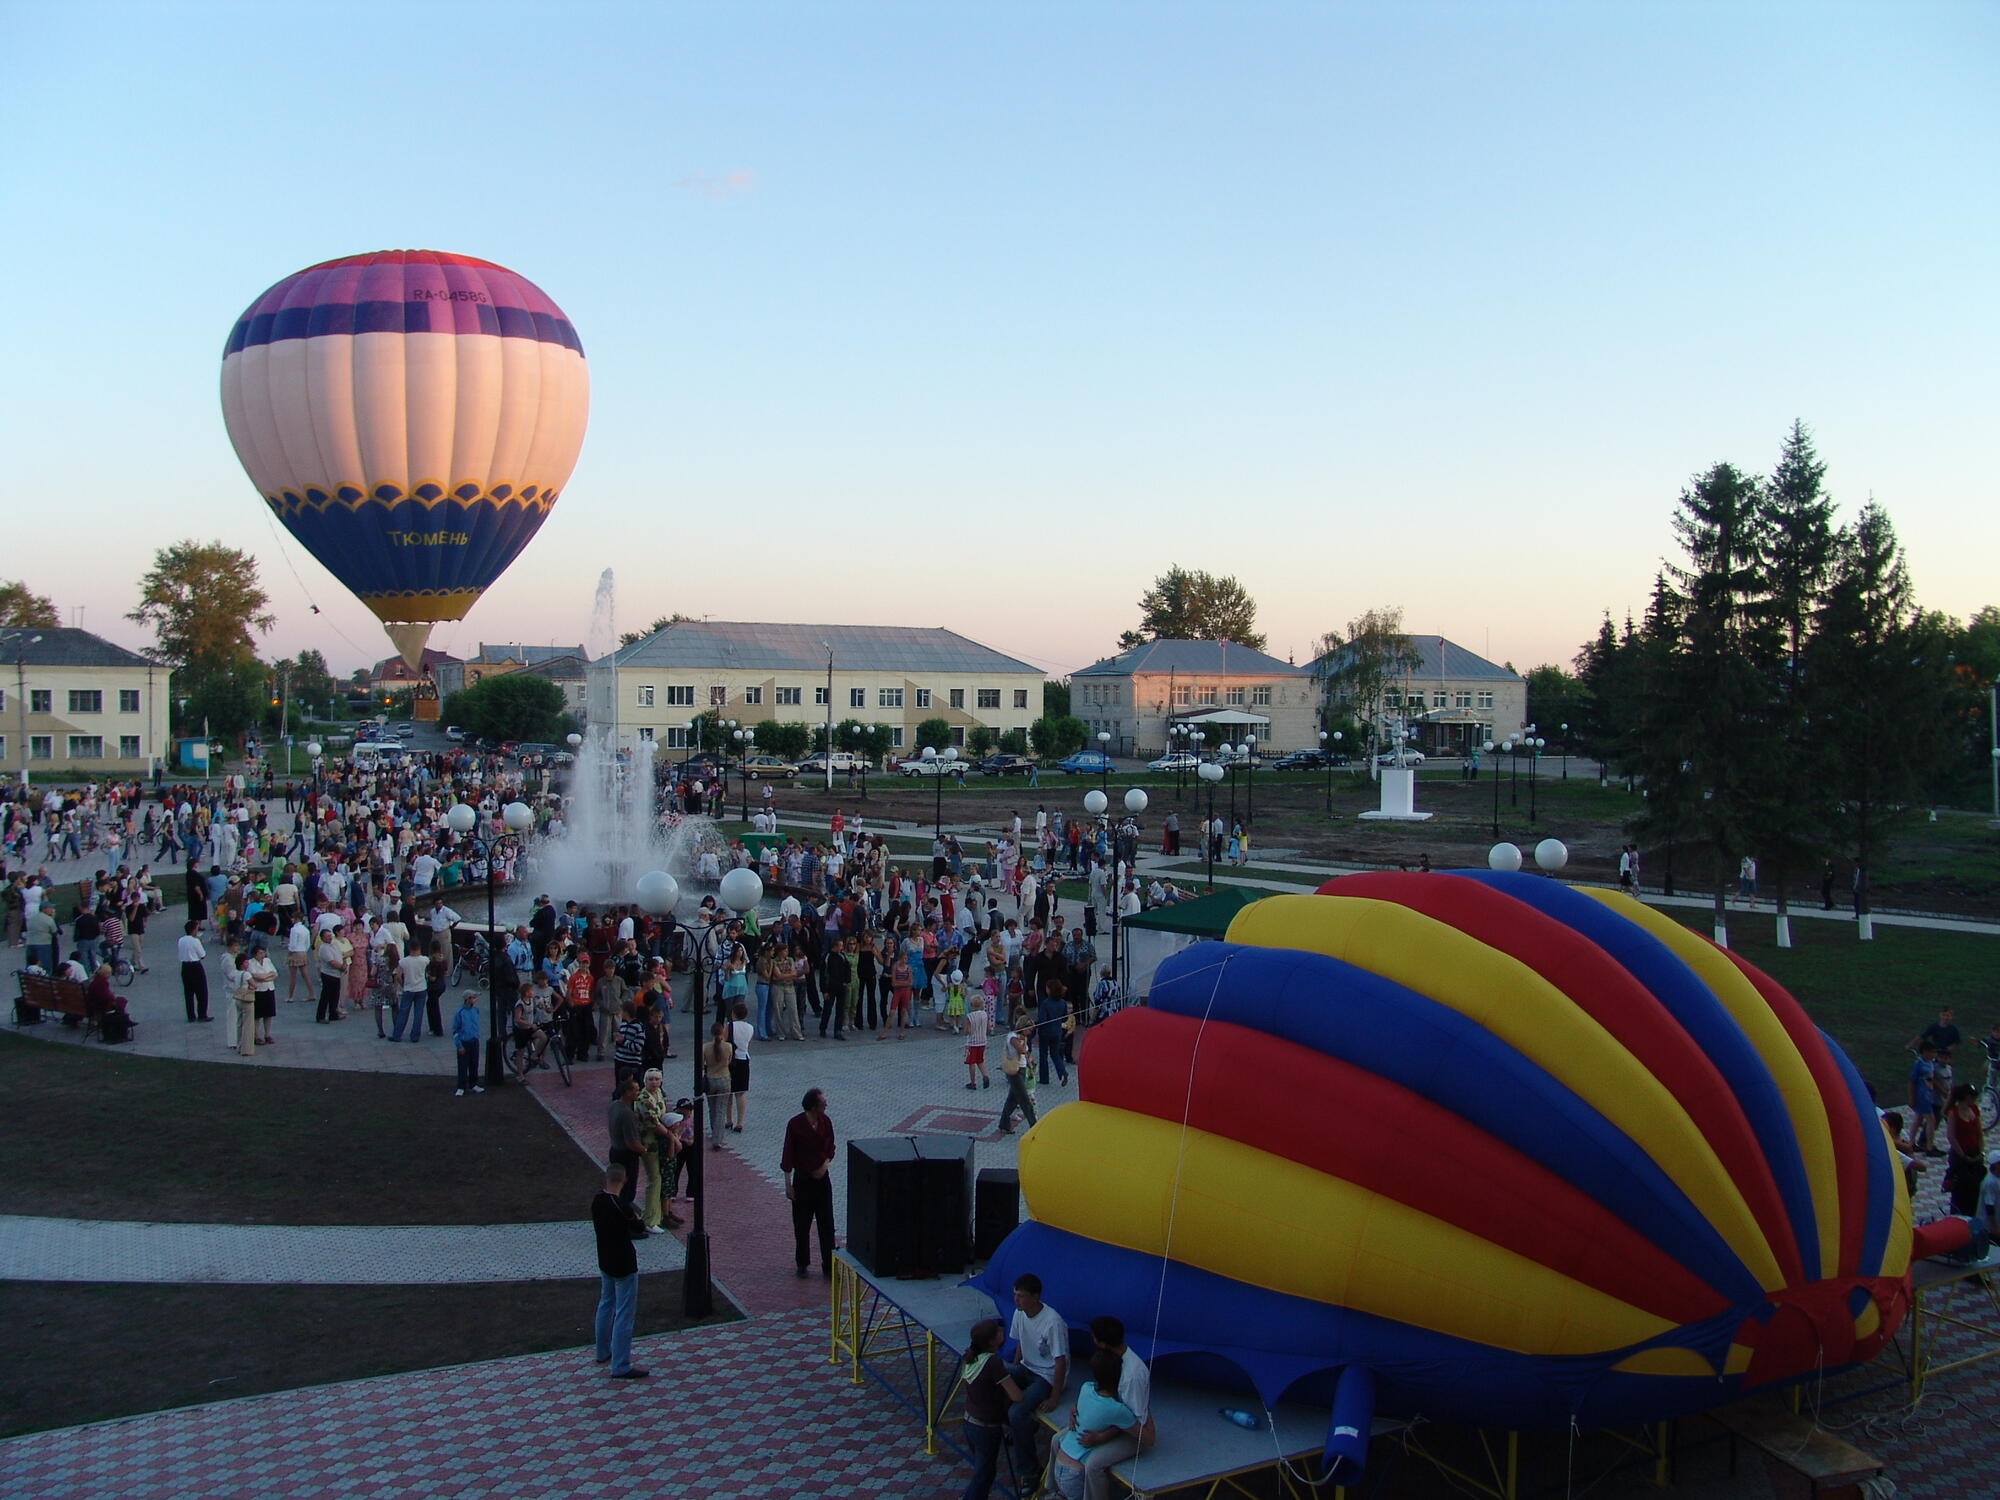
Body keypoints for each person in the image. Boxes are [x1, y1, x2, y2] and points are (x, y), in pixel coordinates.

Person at [1075, 1316, 1155, 1500]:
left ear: (1102, 1343)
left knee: (1093, 1465)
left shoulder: (1131, 1376)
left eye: (1094, 1338)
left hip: (1132, 1433)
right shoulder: (1111, 1359)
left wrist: (1102, 1436)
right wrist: (1077, 1408)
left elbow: (1134, 1423)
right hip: (1113, 1420)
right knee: (1058, 1439)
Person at [1051, 1346, 1136, 1500]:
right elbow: (1138, 1431)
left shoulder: (1086, 1388)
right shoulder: (1116, 1409)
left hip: (1059, 1465)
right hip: (1075, 1473)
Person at [1005, 1273, 1069, 1476]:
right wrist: (1013, 1372)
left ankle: (1030, 1472)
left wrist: (1054, 1397)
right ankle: (1021, 1429)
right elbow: (1020, 1344)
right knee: (998, 1380)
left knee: (1017, 1412)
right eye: (1015, 1295)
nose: (1016, 1300)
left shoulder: (1052, 1321)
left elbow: (1061, 1362)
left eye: (1021, 1296)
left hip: (1046, 1377)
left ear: (1035, 1296)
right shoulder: (1019, 1312)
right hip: (1027, 1368)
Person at [591, 1164, 651, 1379]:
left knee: (606, 1303)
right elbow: (639, 1226)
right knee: (624, 1313)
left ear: (605, 1179)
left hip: (605, 1260)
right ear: (624, 1181)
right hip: (624, 1263)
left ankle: (602, 1351)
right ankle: (621, 1364)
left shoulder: (598, 1201)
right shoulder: (621, 1206)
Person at [959, 1317, 1026, 1500]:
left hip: (970, 1422)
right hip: (986, 1428)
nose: (1002, 1332)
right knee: (984, 1476)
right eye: (998, 1331)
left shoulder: (971, 1358)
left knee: (982, 1472)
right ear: (991, 1341)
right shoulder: (993, 1363)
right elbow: (1016, 1396)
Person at [782, 1086, 837, 1278]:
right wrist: (788, 1184)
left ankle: (829, 1265)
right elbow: (788, 1153)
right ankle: (802, 1263)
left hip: (822, 1182)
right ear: (813, 1106)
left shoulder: (826, 1122)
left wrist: (824, 1166)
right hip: (803, 1181)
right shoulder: (795, 1124)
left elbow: (831, 1147)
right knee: (801, 1224)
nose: (826, 1105)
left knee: (827, 1223)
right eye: (823, 1103)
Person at [606, 1074, 646, 1210]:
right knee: (627, 1191)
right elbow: (631, 1142)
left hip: (615, 1151)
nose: (638, 1092)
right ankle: (625, 1218)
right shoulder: (627, 1114)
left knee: (617, 1187)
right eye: (636, 1090)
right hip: (627, 1156)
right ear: (627, 1092)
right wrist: (645, 1150)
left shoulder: (613, 1105)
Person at [998, 1017, 1037, 1134]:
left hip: (1022, 1068)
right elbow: (1020, 1050)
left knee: (1013, 1099)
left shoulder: (1023, 1037)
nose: (1030, 1033)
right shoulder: (1013, 1037)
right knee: (1024, 1100)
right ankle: (1034, 1125)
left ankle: (1004, 1123)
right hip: (1014, 1070)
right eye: (1028, 1030)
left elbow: (1026, 1053)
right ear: (1023, 1028)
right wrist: (1023, 1041)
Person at [703, 1021, 733, 1147]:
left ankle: (714, 1132)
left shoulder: (705, 1047)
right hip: (724, 1078)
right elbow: (730, 1061)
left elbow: (702, 1064)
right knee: (721, 1109)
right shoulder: (728, 1046)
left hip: (710, 1079)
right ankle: (718, 1139)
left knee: (712, 1108)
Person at [393, 942, 431, 1043]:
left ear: (409, 949)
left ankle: (397, 1035)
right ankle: (415, 1036)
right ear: (419, 948)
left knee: (403, 1013)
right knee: (418, 1013)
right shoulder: (424, 960)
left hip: (408, 989)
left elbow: (397, 976)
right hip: (421, 988)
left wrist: (403, 984)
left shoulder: (403, 962)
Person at [727, 1000, 754, 1134]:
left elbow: (725, 1043)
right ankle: (740, 1122)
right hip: (744, 1059)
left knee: (728, 1092)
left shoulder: (729, 1026)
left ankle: (728, 1119)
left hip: (731, 1060)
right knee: (741, 1093)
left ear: (733, 1014)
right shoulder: (750, 1028)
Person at [177, 920, 211, 1023]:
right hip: (195, 966)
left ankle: (191, 1015)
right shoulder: (195, 941)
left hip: (185, 966)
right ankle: (202, 1014)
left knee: (188, 992)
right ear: (193, 930)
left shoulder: (181, 940)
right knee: (201, 992)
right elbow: (202, 955)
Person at [451, 991, 484, 1096]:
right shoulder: (460, 1013)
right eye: (473, 998)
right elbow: (455, 1030)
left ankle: (473, 1084)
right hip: (464, 1042)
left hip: (474, 1040)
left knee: (474, 1063)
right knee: (462, 1065)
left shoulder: (475, 1010)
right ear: (468, 999)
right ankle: (461, 1086)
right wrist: (459, 1045)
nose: (475, 1000)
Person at [246, 941, 278, 1046]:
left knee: (268, 1014)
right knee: (257, 1015)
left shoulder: (267, 961)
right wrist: (267, 976)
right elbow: (256, 976)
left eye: (263, 953)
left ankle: (267, 1034)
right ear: (255, 954)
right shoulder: (250, 963)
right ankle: (256, 1036)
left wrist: (265, 977)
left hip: (269, 988)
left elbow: (275, 974)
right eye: (260, 953)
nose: (262, 955)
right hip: (258, 991)